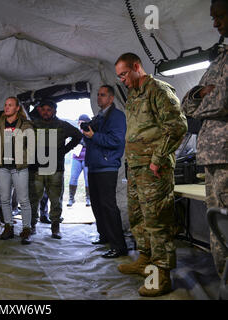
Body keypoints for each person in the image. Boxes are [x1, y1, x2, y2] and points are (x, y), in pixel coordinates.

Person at [115, 53, 187, 297]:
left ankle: (162, 276)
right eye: (120, 76)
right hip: (136, 168)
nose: (123, 80)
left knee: (157, 222)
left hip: (154, 168)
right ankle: (144, 260)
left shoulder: (157, 89)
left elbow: (177, 126)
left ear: (137, 67)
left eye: (124, 74)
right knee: (137, 218)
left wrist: (158, 159)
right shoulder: (134, 94)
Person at [182, 0, 228, 279]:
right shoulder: (220, 59)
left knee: (224, 225)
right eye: (213, 17)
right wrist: (201, 95)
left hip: (225, 157)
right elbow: (187, 102)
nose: (215, 23)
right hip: (213, 157)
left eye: (220, 16)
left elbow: (223, 101)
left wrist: (201, 99)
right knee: (217, 227)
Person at [83, 85, 128, 258]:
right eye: (97, 94)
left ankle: (119, 246)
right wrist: (87, 133)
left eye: (102, 95)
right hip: (94, 165)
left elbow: (116, 141)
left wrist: (93, 136)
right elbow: (92, 138)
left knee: (108, 206)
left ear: (111, 98)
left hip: (107, 166)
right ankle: (104, 236)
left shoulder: (116, 116)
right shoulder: (99, 117)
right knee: (97, 204)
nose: (98, 97)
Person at [29, 100, 82, 238]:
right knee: (33, 198)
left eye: (49, 109)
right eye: (44, 109)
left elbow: (78, 135)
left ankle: (55, 227)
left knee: (56, 199)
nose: (46, 112)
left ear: (54, 111)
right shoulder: (33, 125)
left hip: (55, 168)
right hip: (37, 168)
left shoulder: (62, 125)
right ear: (40, 111)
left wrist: (64, 150)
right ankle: (31, 225)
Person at [0, 97, 33, 244]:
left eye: (10, 105)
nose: (7, 107)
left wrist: (24, 160)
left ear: (17, 108)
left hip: (19, 167)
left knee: (23, 200)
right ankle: (8, 227)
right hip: (3, 167)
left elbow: (31, 146)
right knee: (4, 199)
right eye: (5, 105)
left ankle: (26, 229)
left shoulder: (25, 124)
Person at [67, 114, 91, 207]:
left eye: (83, 122)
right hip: (76, 157)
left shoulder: (89, 131)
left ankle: (88, 198)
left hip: (87, 157)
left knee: (87, 179)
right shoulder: (75, 131)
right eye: (80, 122)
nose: (81, 124)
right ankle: (71, 198)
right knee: (73, 177)